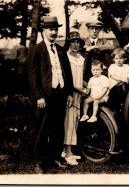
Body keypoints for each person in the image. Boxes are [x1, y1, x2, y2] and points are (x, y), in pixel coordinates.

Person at [28, 16, 74, 172]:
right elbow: (33, 75)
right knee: (42, 128)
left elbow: (67, 72)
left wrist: (69, 94)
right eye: (51, 30)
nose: (54, 32)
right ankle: (39, 161)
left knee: (57, 128)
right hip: (45, 96)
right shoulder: (37, 50)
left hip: (60, 93)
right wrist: (39, 96)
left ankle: (55, 156)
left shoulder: (61, 50)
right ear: (44, 31)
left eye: (56, 29)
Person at [62, 29, 86, 166]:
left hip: (79, 94)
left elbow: (79, 78)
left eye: (78, 42)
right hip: (70, 94)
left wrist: (87, 86)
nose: (75, 45)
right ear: (69, 44)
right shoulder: (66, 57)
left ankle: (68, 151)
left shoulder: (81, 58)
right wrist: (78, 90)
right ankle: (67, 152)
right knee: (68, 122)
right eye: (73, 42)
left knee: (75, 121)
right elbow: (68, 79)